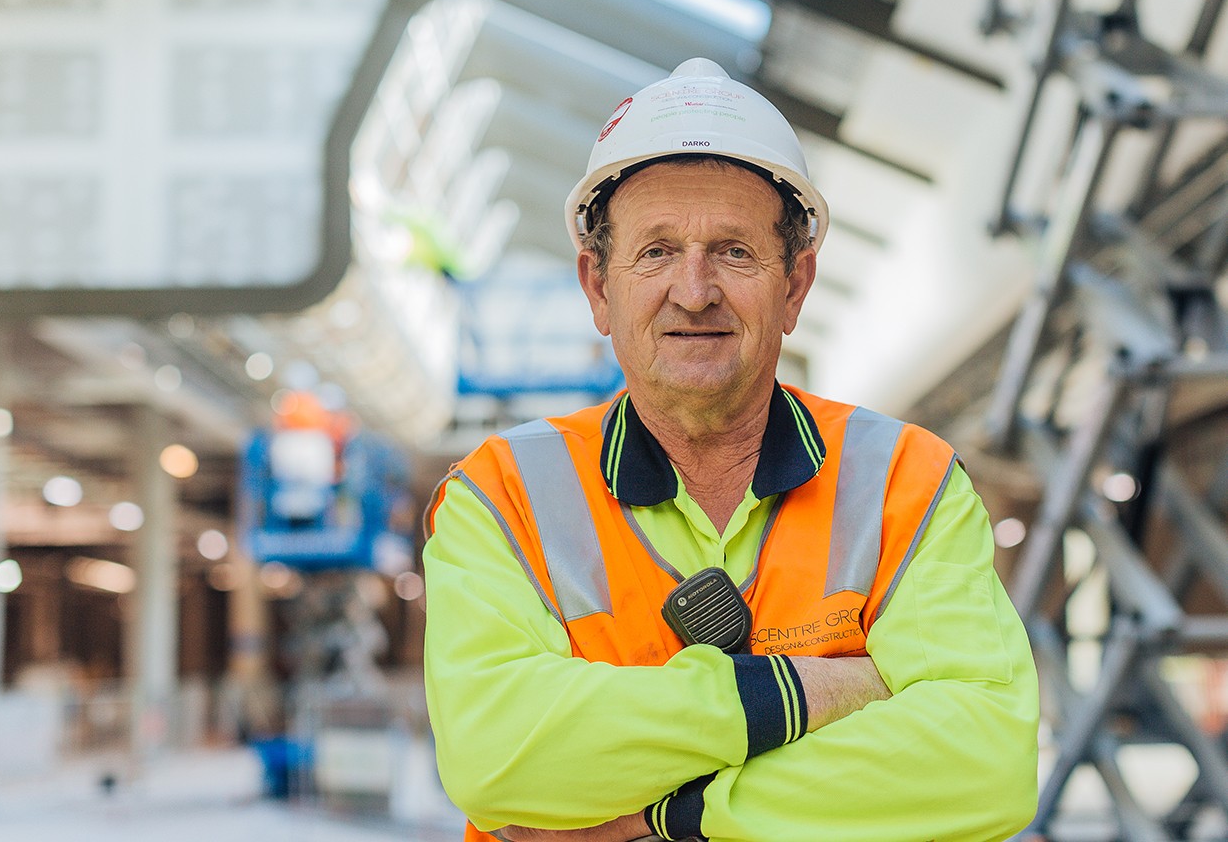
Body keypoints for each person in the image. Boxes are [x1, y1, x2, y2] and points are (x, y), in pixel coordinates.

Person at [422, 58, 1039, 842]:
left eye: (735, 252)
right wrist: (809, 694)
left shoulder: (904, 483)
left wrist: (676, 816)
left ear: (797, 284)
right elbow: (496, 759)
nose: (694, 290)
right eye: (654, 252)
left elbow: (984, 764)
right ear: (597, 287)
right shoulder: (501, 495)